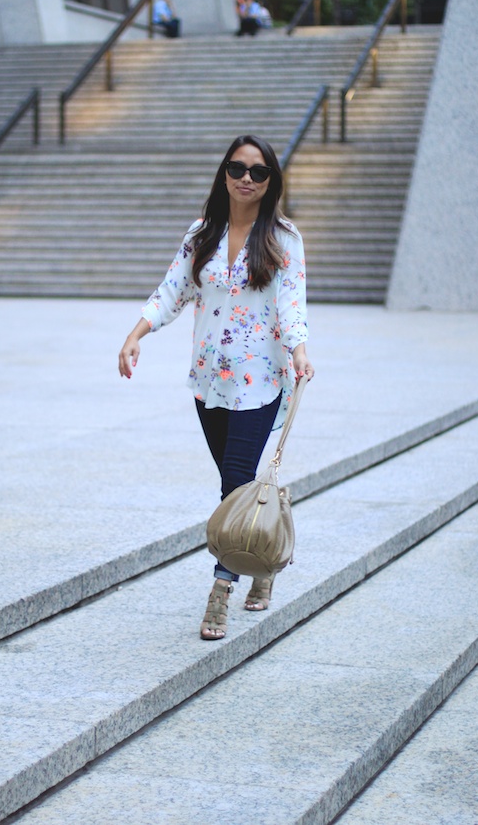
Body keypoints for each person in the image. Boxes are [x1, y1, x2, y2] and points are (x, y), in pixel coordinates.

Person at [118, 134, 314, 641]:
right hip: (209, 383)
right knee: (240, 489)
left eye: (258, 171)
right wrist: (137, 333)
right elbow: (173, 290)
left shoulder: (284, 237)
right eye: (237, 168)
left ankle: (221, 590)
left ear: (271, 181)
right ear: (224, 173)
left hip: (261, 383)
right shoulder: (202, 232)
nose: (246, 179)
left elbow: (292, 302)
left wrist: (299, 349)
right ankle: (265, 566)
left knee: (233, 482)